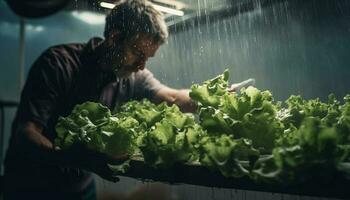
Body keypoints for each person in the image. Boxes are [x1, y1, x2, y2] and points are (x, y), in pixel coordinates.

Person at [3, 0, 243, 199]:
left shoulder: (132, 76)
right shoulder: (58, 64)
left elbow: (171, 98)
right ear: (114, 38)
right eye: (138, 54)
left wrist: (214, 96)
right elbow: (26, 135)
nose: (141, 66)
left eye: (147, 58)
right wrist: (79, 159)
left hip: (80, 188)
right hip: (29, 186)